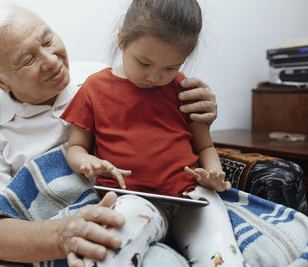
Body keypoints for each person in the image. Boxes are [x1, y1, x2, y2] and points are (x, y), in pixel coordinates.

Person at [0, 3, 219, 266]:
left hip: (148, 206)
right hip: (68, 233)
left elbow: (163, 137)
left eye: (48, 41)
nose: (51, 60)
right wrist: (63, 234)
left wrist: (202, 112)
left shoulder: (104, 77)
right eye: (27, 60)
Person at [60, 0, 248, 266]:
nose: (155, 77)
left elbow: (205, 148)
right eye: (144, 63)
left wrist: (214, 175)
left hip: (192, 197)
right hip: (133, 199)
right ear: (121, 38)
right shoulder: (94, 88)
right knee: (112, 245)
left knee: (222, 257)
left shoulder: (184, 89)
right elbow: (76, 148)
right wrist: (87, 162)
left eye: (170, 68)